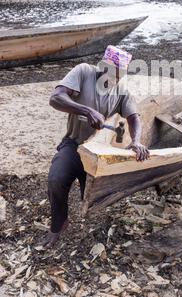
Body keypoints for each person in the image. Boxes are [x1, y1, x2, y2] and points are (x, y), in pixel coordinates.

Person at [42, 45, 149, 248]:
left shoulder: (121, 91)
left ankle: (86, 218)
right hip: (74, 144)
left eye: (121, 74)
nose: (115, 78)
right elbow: (56, 98)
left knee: (90, 199)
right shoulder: (84, 72)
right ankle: (58, 223)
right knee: (56, 179)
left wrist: (135, 141)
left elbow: (135, 118)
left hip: (98, 153)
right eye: (112, 72)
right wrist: (87, 110)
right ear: (102, 65)